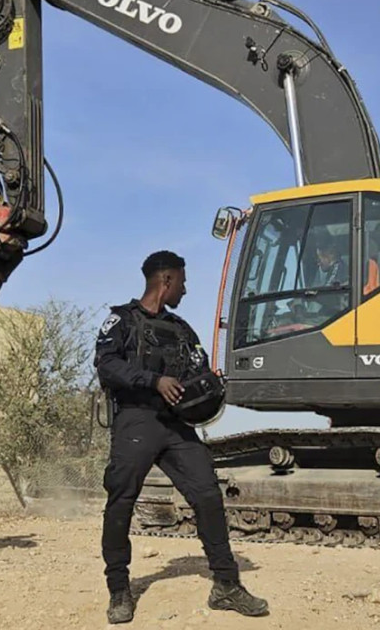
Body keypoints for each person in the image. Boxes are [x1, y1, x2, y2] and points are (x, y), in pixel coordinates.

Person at [94, 250, 268, 624]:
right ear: (166, 280)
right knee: (121, 500)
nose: (186, 291)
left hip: (176, 425)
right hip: (136, 420)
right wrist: (153, 380)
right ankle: (119, 589)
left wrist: (207, 388)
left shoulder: (182, 329)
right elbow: (106, 365)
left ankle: (226, 584)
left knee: (207, 493)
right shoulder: (120, 321)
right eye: (183, 283)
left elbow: (198, 370)